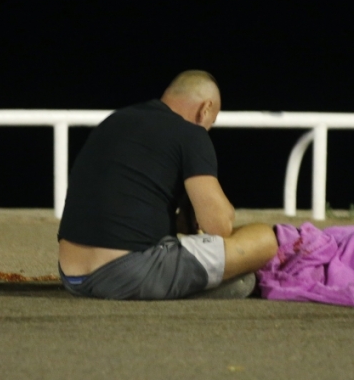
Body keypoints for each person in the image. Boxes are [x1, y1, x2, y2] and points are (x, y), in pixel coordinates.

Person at [57, 70, 279, 300]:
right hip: (128, 273)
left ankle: (189, 284)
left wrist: (180, 219)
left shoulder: (115, 120)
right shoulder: (191, 133)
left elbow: (123, 208)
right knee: (264, 239)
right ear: (205, 109)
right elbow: (218, 227)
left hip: (72, 276)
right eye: (211, 123)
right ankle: (192, 287)